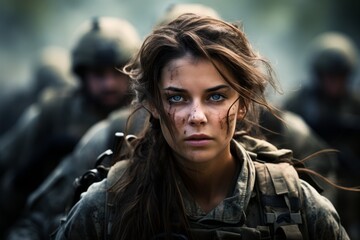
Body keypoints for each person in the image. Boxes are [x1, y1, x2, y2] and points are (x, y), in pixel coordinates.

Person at [53, 14, 349, 240]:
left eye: (216, 96)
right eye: (177, 97)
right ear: (154, 105)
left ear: (243, 104)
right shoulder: (105, 208)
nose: (197, 116)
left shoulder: (298, 207)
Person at [0, 16, 141, 236]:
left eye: (117, 72)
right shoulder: (55, 110)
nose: (109, 84)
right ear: (82, 74)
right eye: (98, 74)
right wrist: (40, 158)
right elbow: (8, 166)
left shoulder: (143, 117)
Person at [282, 32, 360, 238]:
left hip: (351, 184)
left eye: (340, 76)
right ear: (318, 74)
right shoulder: (298, 102)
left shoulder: (355, 104)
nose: (334, 83)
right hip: (311, 180)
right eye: (329, 76)